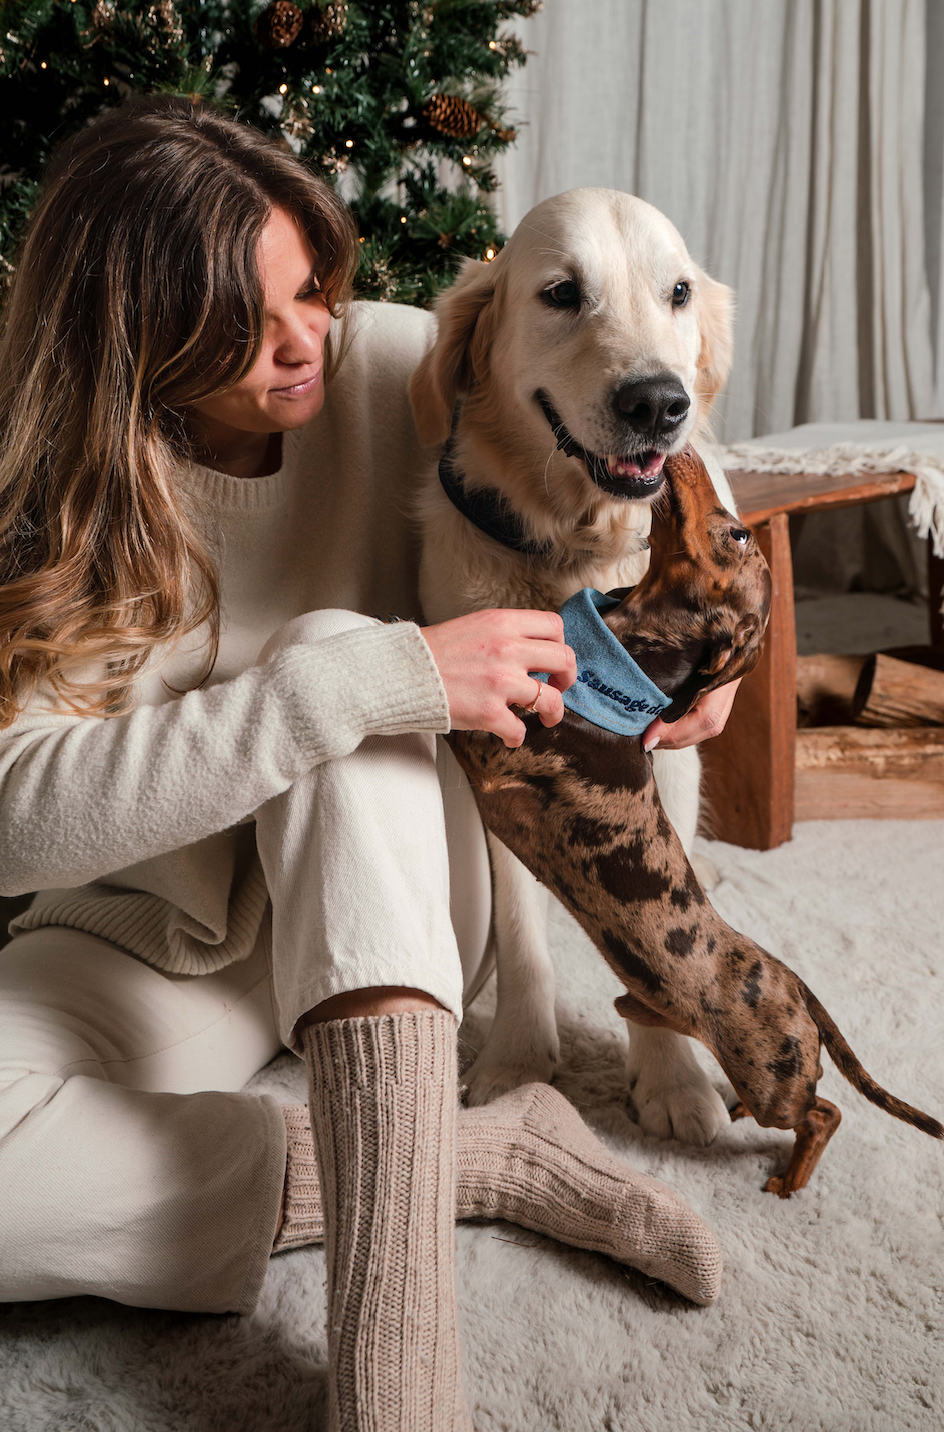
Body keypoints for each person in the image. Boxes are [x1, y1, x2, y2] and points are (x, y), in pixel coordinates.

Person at [0, 96, 731, 1429]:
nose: (306, 342)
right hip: (149, 939)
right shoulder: (54, 509)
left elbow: (660, 434)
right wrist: (336, 690)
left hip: (393, 890)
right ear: (130, 336)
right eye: (244, 322)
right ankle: (480, 1158)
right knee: (342, 676)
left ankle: (398, 1382)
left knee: (348, 658)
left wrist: (708, 649)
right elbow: (14, 818)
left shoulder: (392, 361)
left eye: (314, 289)